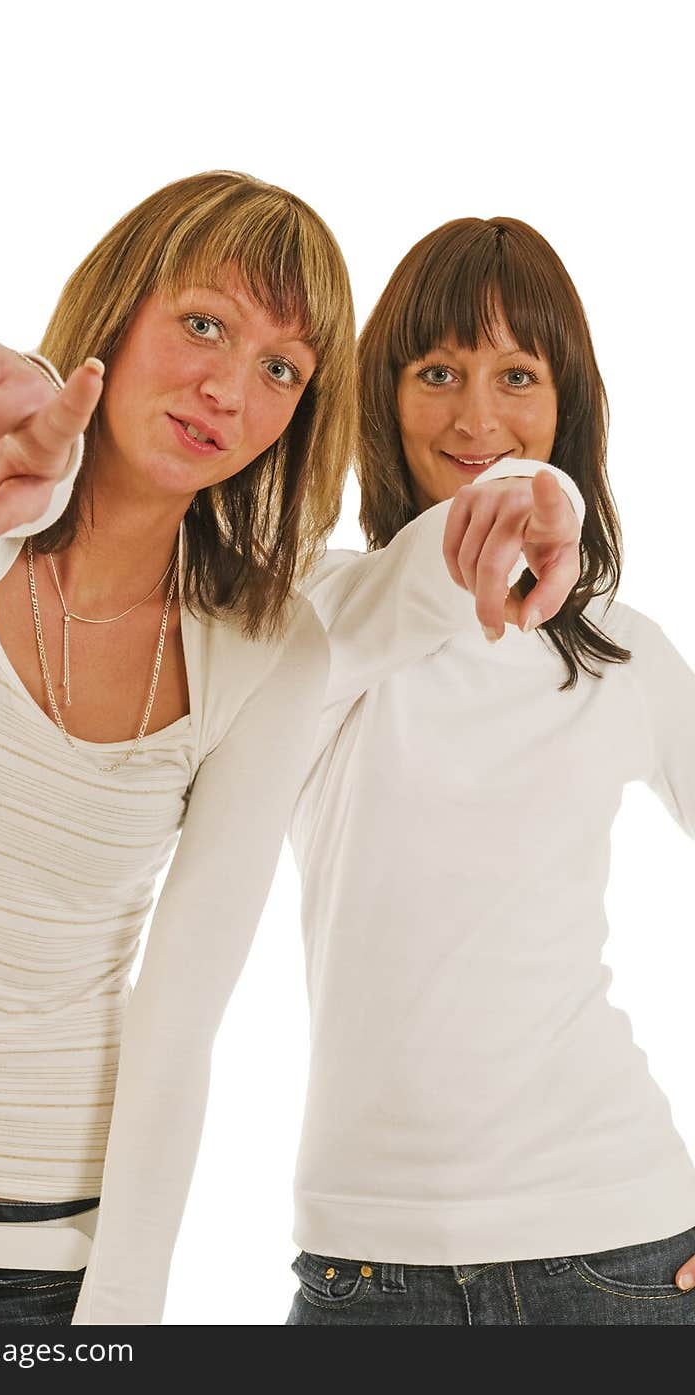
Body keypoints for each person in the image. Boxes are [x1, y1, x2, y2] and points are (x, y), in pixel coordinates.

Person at [0, 181, 584, 1327]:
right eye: (205, 324)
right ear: (118, 314)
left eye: (283, 368)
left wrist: (540, 484)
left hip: (27, 1279)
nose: (229, 388)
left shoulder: (262, 649)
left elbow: (179, 1020)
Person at [286, 217, 695, 1326]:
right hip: (364, 1266)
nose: (477, 416)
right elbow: (409, 589)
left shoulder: (625, 651)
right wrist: (527, 500)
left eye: (518, 374)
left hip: (619, 1250)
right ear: (383, 397)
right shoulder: (317, 618)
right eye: (437, 372)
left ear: (569, 403)